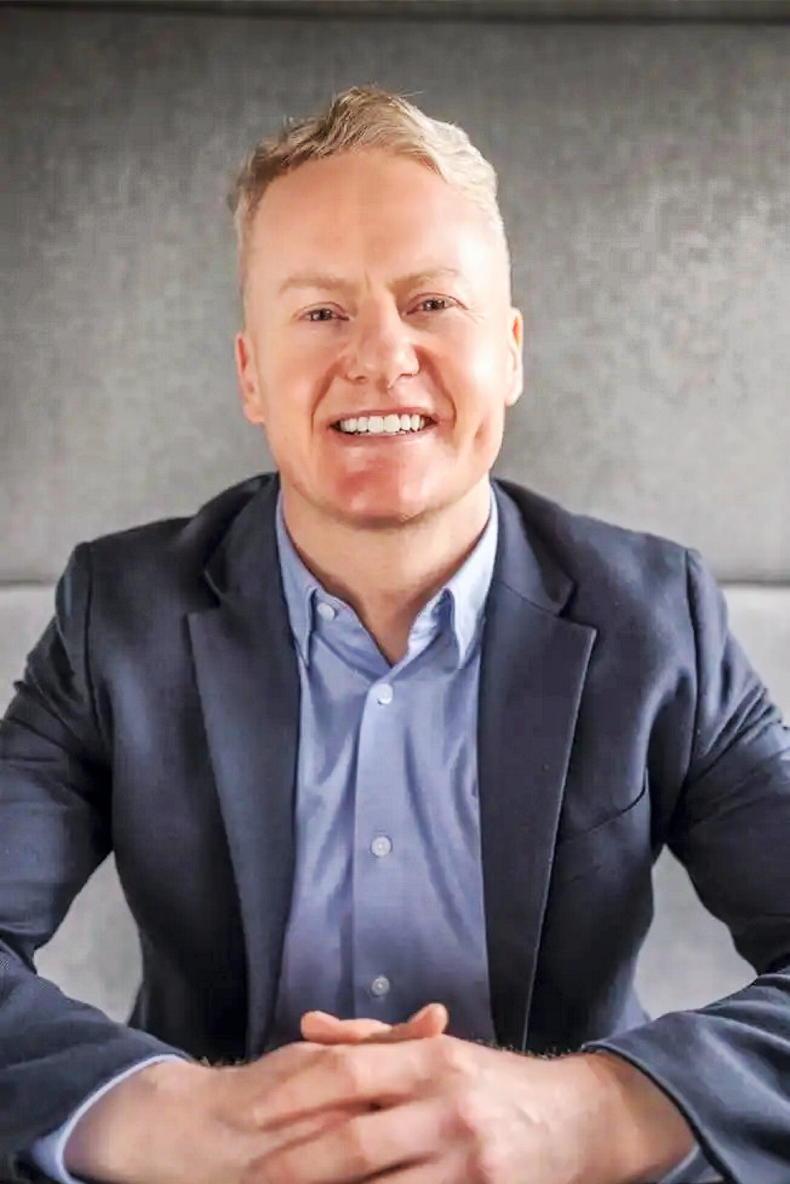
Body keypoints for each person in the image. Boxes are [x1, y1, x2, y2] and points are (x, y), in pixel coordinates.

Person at [2, 83, 789, 1184]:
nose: (381, 355)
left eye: (431, 303)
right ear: (250, 374)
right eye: (322, 313)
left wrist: (583, 1115)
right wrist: (178, 1120)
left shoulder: (661, 621)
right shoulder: (115, 615)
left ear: (509, 353)